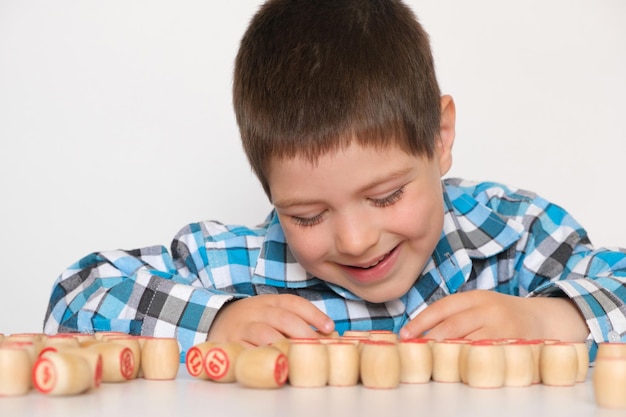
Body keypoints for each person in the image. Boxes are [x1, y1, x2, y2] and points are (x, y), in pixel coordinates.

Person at [44, 0, 626, 362]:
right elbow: (79, 294)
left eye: (387, 195)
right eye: (308, 216)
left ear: (440, 137)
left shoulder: (510, 236)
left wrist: (549, 318)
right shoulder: (240, 269)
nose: (354, 240)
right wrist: (216, 320)